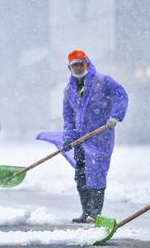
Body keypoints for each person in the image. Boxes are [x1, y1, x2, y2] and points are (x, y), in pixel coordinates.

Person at [62, 50, 128, 223]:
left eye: (80, 64)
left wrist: (116, 115)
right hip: (79, 139)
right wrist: (68, 138)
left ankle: (95, 213)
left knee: (97, 174)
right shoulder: (69, 90)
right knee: (81, 174)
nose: (78, 68)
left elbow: (121, 95)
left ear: (87, 64)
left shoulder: (103, 81)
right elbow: (68, 116)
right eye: (74, 65)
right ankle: (86, 212)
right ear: (69, 68)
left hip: (100, 136)